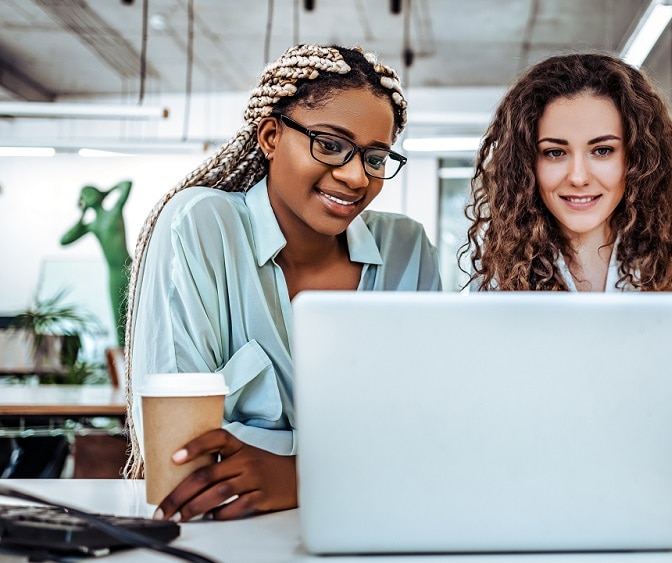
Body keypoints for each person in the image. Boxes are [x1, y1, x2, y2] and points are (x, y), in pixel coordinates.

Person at [124, 44, 442, 522]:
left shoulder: (406, 249)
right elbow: (181, 463)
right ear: (271, 136)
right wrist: (352, 466)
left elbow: (431, 438)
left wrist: (298, 477)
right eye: (330, 144)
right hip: (227, 539)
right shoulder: (200, 226)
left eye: (375, 158)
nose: (356, 176)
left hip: (375, 528)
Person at [460, 52, 672, 484]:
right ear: (527, 166)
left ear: (637, 158)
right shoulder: (498, 275)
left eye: (602, 150)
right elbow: (473, 422)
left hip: (663, 501)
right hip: (541, 496)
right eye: (554, 152)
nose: (577, 176)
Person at [60, 180, 132, 346]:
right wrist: (82, 214)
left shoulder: (114, 212)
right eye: (84, 195)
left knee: (133, 313)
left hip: (128, 268)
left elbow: (127, 185)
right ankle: (123, 358)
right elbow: (64, 240)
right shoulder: (93, 225)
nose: (87, 196)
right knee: (119, 319)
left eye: (89, 192)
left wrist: (105, 192)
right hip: (113, 274)